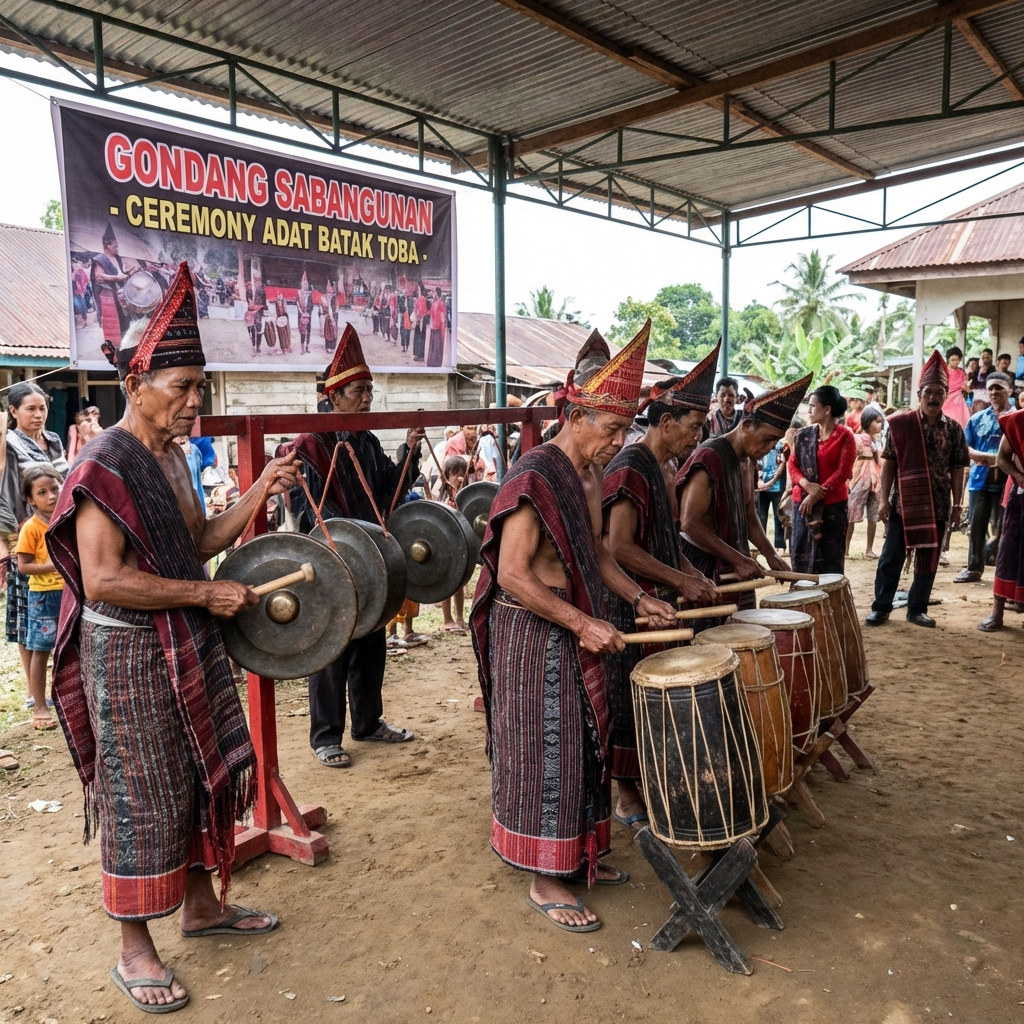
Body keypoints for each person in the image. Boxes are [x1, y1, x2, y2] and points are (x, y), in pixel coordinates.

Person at [46, 263, 299, 1012]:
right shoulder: (104, 462)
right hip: (126, 651)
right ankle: (134, 949)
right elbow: (101, 578)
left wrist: (260, 490)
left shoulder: (175, 457)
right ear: (137, 383)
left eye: (201, 387)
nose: (196, 402)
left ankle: (202, 908)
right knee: (138, 793)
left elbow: (200, 540)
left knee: (194, 775)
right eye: (183, 386)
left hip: (184, 640)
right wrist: (204, 592)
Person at [471, 320, 676, 932]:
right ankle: (544, 875)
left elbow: (598, 556)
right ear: (577, 413)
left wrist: (640, 599)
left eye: (624, 431)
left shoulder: (589, 475)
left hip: (570, 622)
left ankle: (582, 853)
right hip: (531, 631)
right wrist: (581, 623)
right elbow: (511, 572)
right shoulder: (536, 473)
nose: (617, 442)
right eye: (611, 429)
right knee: (547, 749)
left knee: (587, 744)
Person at [287, 323, 423, 768]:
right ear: (334, 396)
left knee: (370, 640)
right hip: (330, 557)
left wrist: (409, 451)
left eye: (369, 390)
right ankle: (326, 736)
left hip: (367, 557)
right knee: (332, 647)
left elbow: (387, 490)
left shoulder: (364, 439)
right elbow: (303, 507)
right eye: (360, 391)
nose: (368, 398)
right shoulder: (309, 444)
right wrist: (337, 541)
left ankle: (367, 722)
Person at [601, 344, 721, 833]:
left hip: (656, 601)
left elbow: (663, 540)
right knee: (627, 699)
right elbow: (619, 547)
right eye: (693, 427)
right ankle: (625, 790)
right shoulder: (630, 465)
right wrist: (676, 581)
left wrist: (690, 575)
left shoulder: (662, 468)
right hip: (627, 600)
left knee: (652, 701)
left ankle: (647, 780)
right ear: (666, 421)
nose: (697, 437)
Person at [677, 374, 811, 604]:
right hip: (702, 567)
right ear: (747, 425)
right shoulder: (709, 456)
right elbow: (690, 523)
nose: (770, 448)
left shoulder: (748, 460)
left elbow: (749, 512)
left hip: (736, 562)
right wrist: (738, 558)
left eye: (775, 442)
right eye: (768, 439)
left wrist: (771, 555)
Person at [867, 350, 969, 628]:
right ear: (919, 394)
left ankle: (917, 608)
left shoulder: (954, 430)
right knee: (891, 557)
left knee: (928, 559)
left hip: (937, 504)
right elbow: (888, 463)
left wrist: (957, 504)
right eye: (929, 392)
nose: (934, 398)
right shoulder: (901, 425)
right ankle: (881, 607)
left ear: (946, 395)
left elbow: (958, 468)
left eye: (939, 392)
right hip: (903, 504)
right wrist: (884, 500)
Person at [1, 383, 69, 703]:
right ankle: (33, 692)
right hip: (25, 533)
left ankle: (59, 684)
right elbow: (7, 494)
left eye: (42, 408)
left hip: (58, 529)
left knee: (57, 612)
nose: (39, 414)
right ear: (13, 412)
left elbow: (65, 483)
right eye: (30, 409)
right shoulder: (8, 444)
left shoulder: (54, 440)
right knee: (28, 614)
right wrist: (8, 540)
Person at [788, 386, 857, 576]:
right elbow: (792, 465)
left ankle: (830, 601)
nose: (808, 410)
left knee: (831, 558)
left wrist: (817, 494)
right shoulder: (802, 435)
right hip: (802, 503)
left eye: (812, 406)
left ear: (827, 409)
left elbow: (843, 472)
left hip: (832, 506)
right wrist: (807, 486)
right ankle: (802, 599)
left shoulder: (845, 436)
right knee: (801, 553)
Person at [15, 465, 63, 731]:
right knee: (41, 649)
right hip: (43, 596)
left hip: (69, 593)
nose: (52, 496)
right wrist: (56, 565)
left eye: (55, 489)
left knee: (71, 648)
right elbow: (24, 566)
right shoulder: (31, 528)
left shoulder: (66, 519)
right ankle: (40, 705)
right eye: (42, 492)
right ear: (31, 499)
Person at [955, 372, 1011, 583]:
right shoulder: (977, 418)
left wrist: (1001, 460)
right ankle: (974, 568)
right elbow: (965, 447)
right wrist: (990, 457)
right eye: (991, 388)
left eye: (999, 387)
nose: (994, 392)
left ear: (1009, 390)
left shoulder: (1017, 418)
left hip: (1009, 480)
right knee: (976, 525)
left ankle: (1003, 572)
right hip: (980, 479)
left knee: (1005, 525)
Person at [978, 408, 1024, 630]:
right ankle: (997, 614)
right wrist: (1019, 475)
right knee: (1008, 551)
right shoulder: (1018, 421)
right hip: (1021, 494)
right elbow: (1002, 457)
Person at [847, 407, 884, 559]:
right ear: (868, 423)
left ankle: (868, 549)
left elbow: (878, 461)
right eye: (877, 422)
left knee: (873, 517)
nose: (880, 425)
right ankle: (846, 549)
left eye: (881, 422)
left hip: (873, 480)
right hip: (860, 479)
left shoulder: (876, 441)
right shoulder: (857, 439)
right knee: (851, 515)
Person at [90, 222, 131, 364]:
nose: (116, 247)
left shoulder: (118, 258)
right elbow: (98, 276)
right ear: (106, 245)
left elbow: (120, 273)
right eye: (114, 245)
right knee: (114, 323)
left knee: (126, 321)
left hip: (120, 293)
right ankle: (114, 351)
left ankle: (126, 346)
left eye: (117, 244)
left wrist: (126, 274)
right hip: (108, 296)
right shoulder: (100, 259)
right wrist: (117, 278)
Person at [438, 454, 470, 633]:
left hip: (462, 543)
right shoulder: (444, 497)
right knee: (447, 583)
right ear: (446, 476)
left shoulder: (468, 495)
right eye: (455, 473)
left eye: (462, 473)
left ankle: (459, 617)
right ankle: (447, 618)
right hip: (446, 543)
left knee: (460, 582)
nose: (459, 477)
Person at [756, 436, 788, 552]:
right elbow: (756, 462)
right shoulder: (758, 442)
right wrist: (759, 481)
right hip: (761, 486)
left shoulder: (780, 443)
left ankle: (780, 544)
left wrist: (771, 482)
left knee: (778, 515)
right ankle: (760, 545)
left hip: (777, 486)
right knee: (760, 517)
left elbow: (782, 464)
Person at [942, 346, 970, 428]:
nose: (955, 362)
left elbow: (966, 386)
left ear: (960, 359)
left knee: (959, 423)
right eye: (952, 360)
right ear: (948, 360)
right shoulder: (943, 372)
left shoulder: (962, 372)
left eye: (956, 360)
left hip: (958, 402)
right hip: (945, 400)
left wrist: (966, 387)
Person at [427, 288, 447, 367]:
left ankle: (434, 363)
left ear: (437, 293)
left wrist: (441, 328)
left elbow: (442, 317)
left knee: (435, 347)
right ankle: (433, 363)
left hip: (437, 328)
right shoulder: (436, 303)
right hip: (435, 328)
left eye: (433, 292)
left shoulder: (439, 304)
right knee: (435, 346)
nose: (432, 294)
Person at [296, 270, 314, 355]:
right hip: (301, 315)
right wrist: (302, 312)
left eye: (306, 284)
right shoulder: (299, 293)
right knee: (302, 331)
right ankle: (302, 349)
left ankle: (307, 347)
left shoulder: (310, 294)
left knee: (308, 331)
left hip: (308, 315)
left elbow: (311, 304)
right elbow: (297, 303)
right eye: (304, 284)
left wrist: (308, 312)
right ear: (301, 284)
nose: (305, 285)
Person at [971, 348, 994, 412]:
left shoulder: (993, 369)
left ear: (991, 358)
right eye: (983, 357)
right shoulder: (976, 369)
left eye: (987, 357)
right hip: (977, 398)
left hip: (989, 398)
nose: (985, 359)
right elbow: (973, 384)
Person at [413, 287, 428, 361]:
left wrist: (418, 318)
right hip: (422, 320)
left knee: (418, 338)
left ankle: (418, 354)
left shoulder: (419, 300)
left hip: (419, 321)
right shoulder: (424, 300)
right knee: (422, 338)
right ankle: (421, 355)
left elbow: (418, 311)